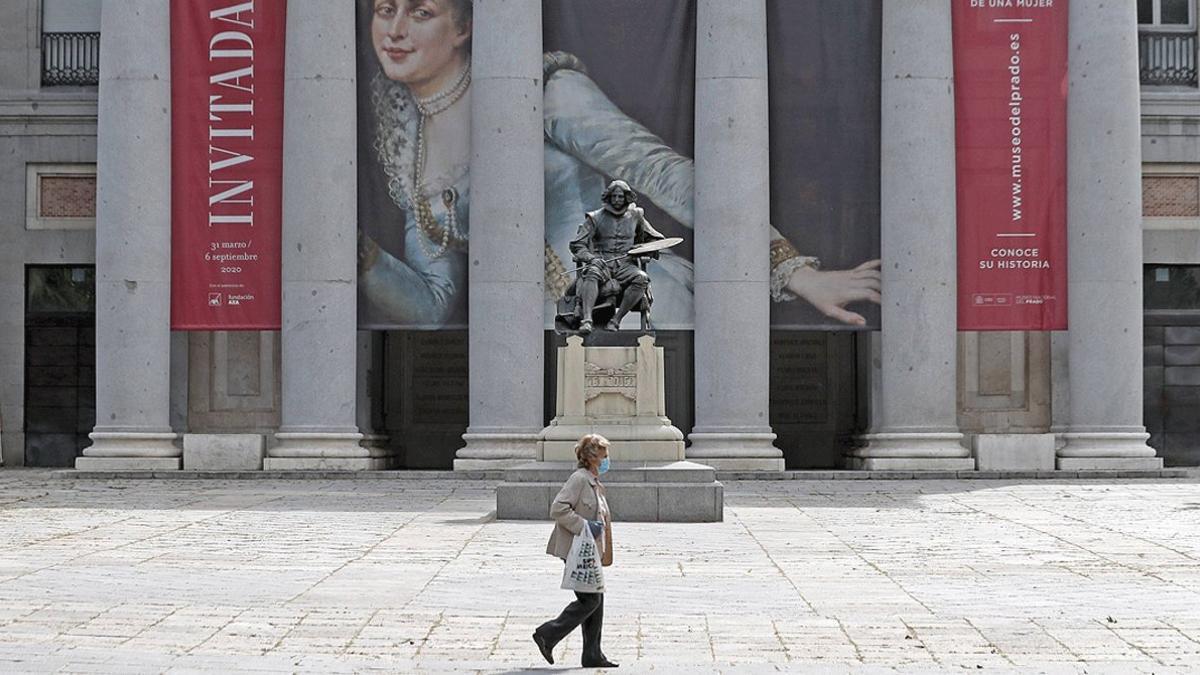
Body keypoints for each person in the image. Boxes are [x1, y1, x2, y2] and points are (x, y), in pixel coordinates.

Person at [357, 0, 882, 329]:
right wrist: (362, 257)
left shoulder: (547, 93)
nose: (395, 30)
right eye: (384, 10)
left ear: (464, 28)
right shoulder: (408, 149)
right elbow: (431, 305)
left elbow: (666, 176)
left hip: (636, 308)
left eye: (420, 12)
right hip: (535, 347)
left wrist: (793, 272)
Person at [533, 433, 617, 668]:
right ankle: (547, 634)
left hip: (589, 552)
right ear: (592, 458)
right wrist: (584, 526)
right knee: (590, 600)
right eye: (604, 455)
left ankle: (592, 655)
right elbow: (558, 508)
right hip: (575, 549)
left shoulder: (594, 482)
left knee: (596, 600)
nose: (607, 459)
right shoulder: (579, 479)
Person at [558, 180, 666, 334]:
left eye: (620, 197)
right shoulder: (595, 217)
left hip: (626, 265)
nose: (616, 200)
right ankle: (587, 320)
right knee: (592, 273)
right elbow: (577, 244)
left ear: (626, 198)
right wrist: (591, 258)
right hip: (602, 263)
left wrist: (643, 249)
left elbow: (655, 239)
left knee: (641, 278)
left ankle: (615, 320)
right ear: (608, 197)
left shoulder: (636, 216)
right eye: (614, 196)